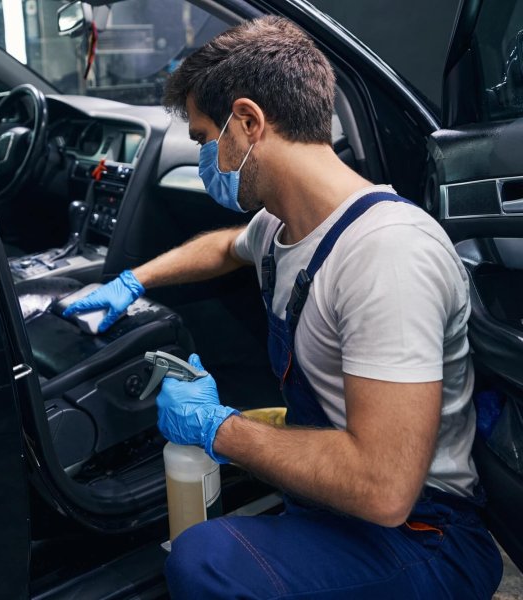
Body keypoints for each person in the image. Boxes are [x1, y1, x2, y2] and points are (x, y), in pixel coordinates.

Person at [63, 16, 502, 599]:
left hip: (423, 531)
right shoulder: (281, 226)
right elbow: (224, 246)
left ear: (247, 123)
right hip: (336, 506)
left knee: (207, 561)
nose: (203, 160)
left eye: (203, 139)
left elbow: (384, 489)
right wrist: (130, 282)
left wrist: (221, 428)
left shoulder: (386, 255)